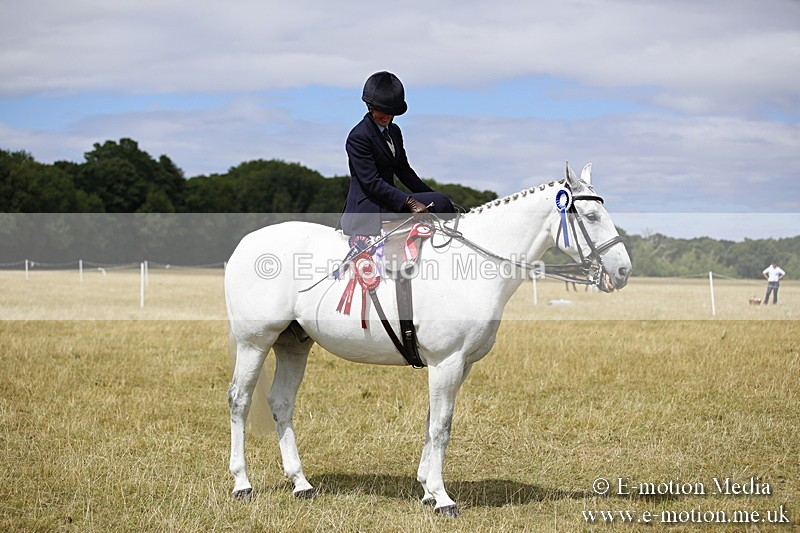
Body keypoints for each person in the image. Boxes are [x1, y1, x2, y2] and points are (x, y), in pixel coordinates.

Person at [339, 71, 455, 236]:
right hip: (369, 207)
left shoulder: (394, 131)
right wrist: (409, 201)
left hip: (388, 201)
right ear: (370, 107)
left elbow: (404, 171)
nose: (387, 116)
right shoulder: (358, 136)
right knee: (441, 202)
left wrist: (432, 195)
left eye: (391, 112)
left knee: (441, 201)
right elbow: (372, 182)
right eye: (382, 110)